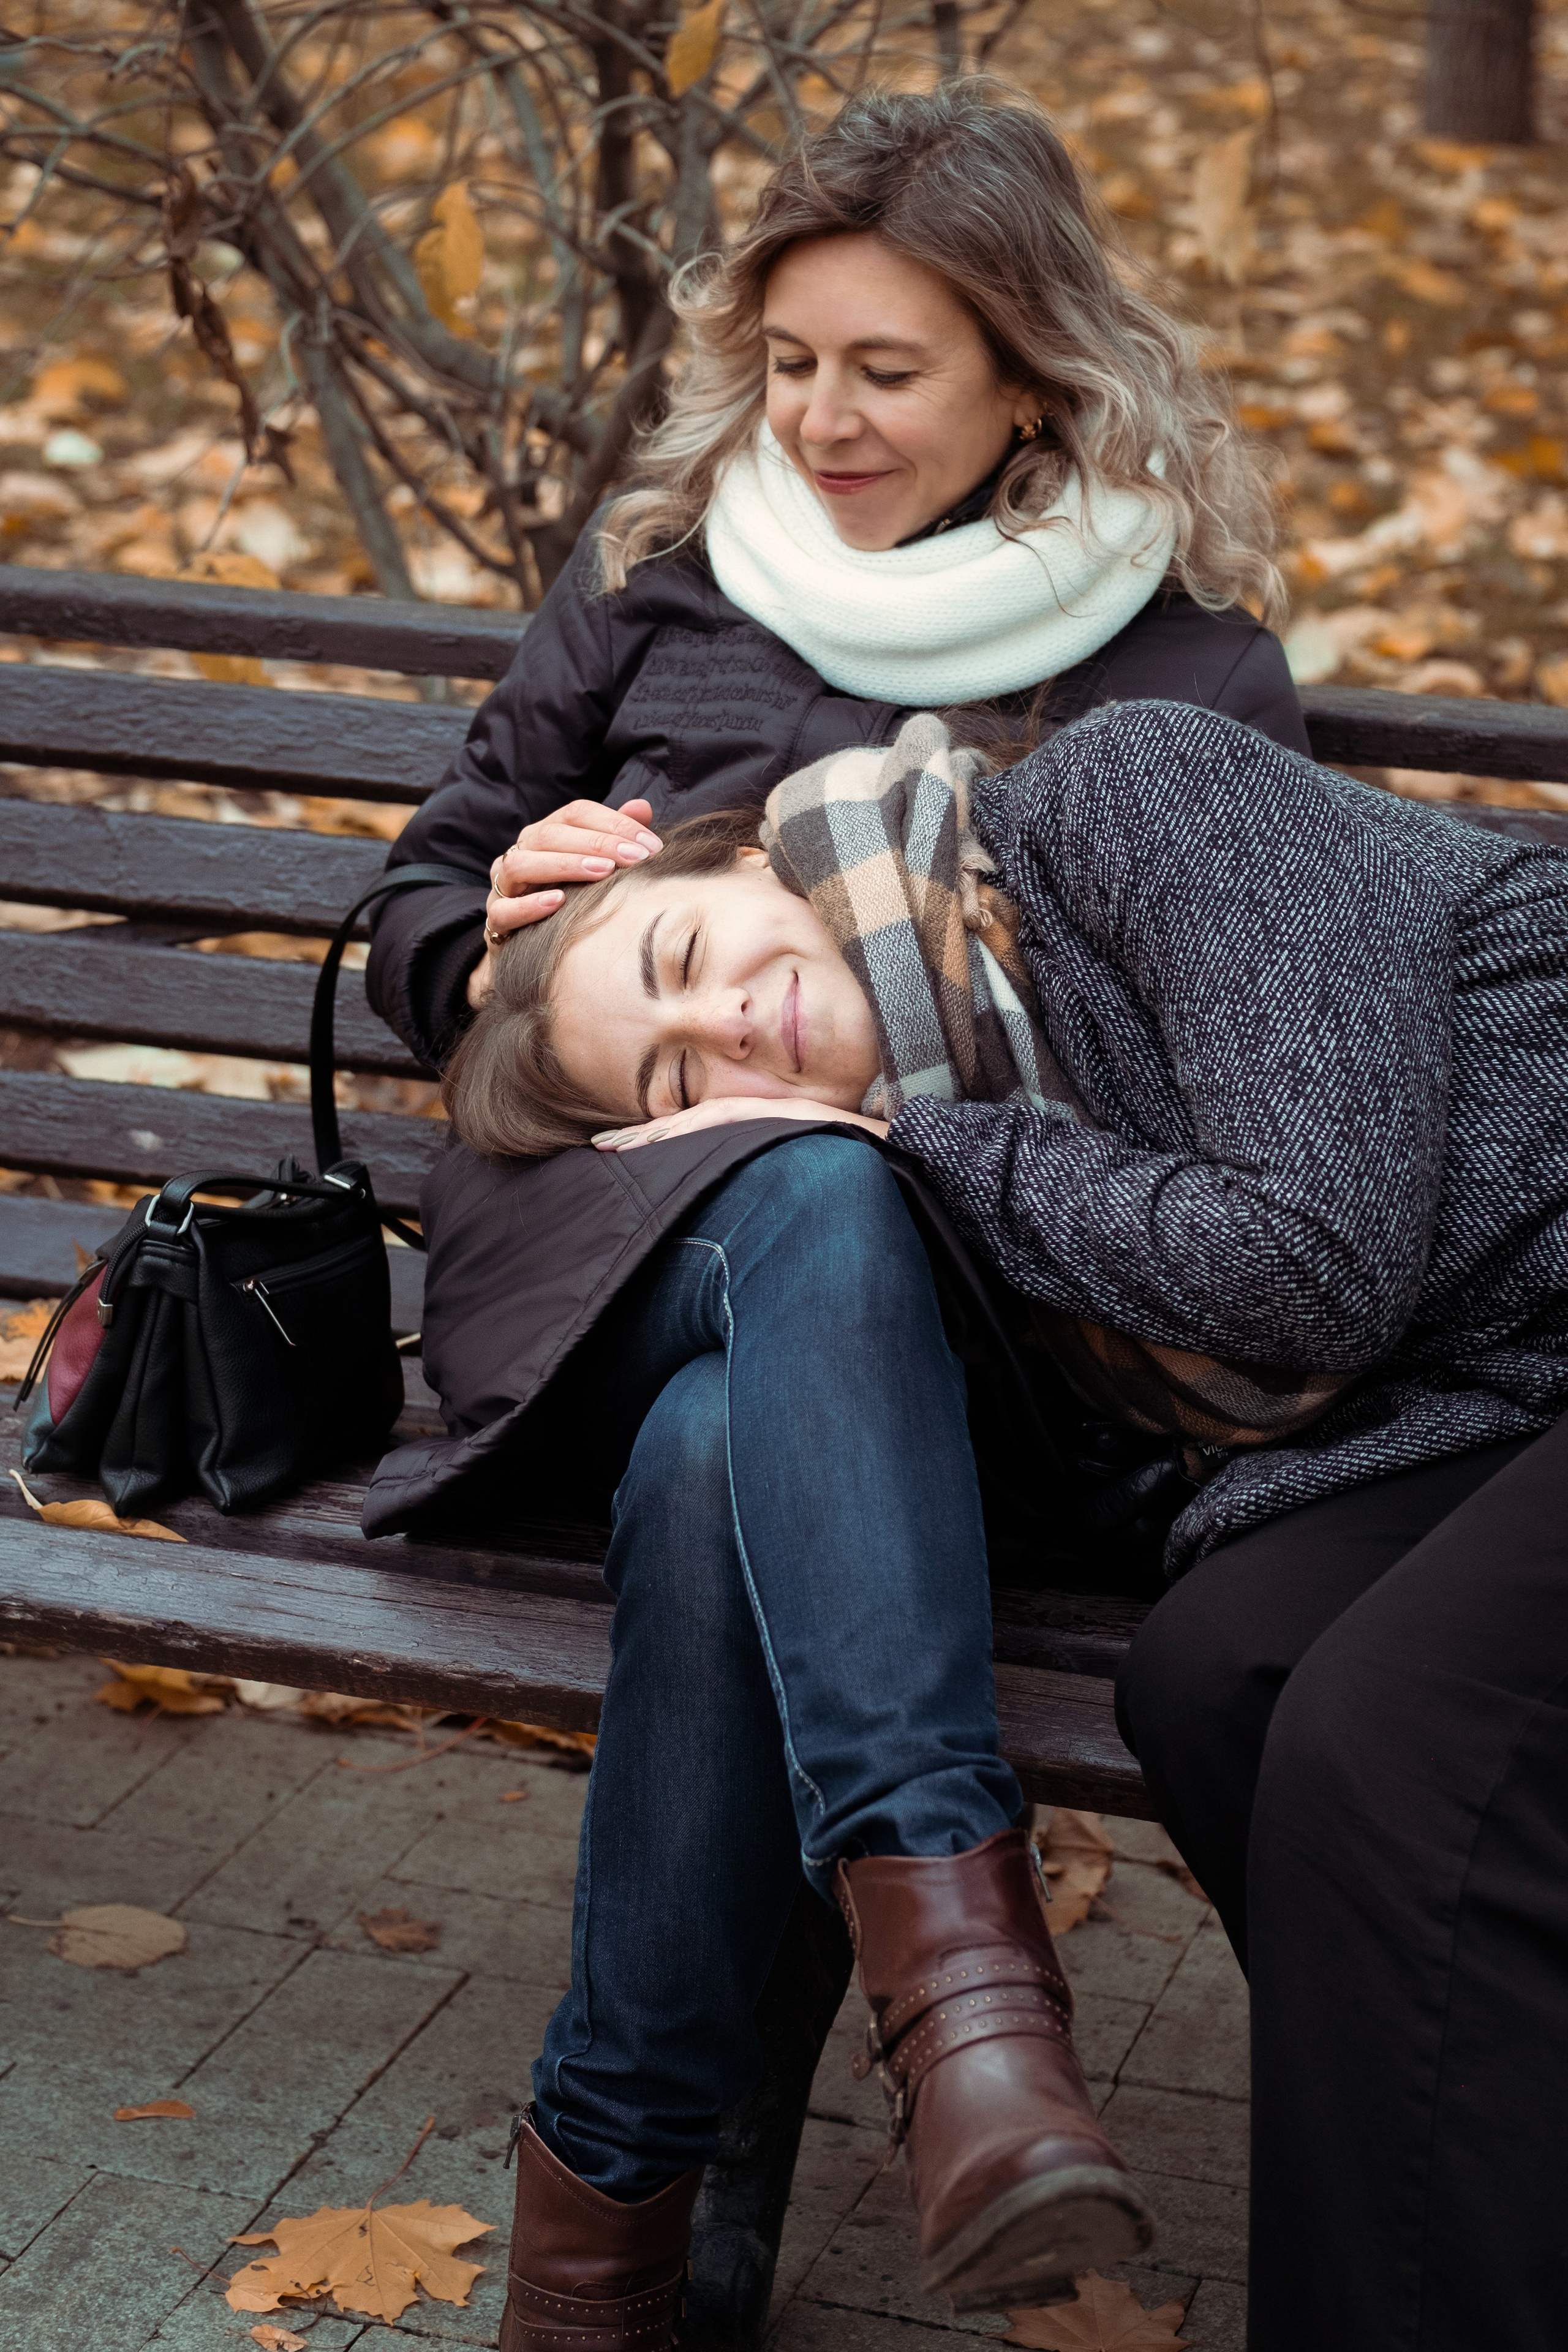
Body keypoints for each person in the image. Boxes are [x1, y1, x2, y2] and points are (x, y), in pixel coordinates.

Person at [363, 75, 1316, 2352]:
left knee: (742, 1437)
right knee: (791, 1190)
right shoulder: (674, 575)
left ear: (1031, 379)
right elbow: (412, 910)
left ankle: (622, 2226)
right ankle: (971, 2024)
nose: (819, 419)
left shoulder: (1182, 667)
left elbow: (1245, 1078)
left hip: (999, 1334)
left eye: (887, 370)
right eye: (791, 363)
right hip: (605, 1248)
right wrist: (499, 931)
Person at [429, 696, 1568, 2352]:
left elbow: (1313, 1264)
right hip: (1483, 1398)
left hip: (1485, 1350)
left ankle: (807, 2107)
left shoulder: (1137, 795)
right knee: (1207, 1674)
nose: (734, 1029)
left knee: (1379, 1731)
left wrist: (912, 1140)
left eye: (688, 955)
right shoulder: (908, 1179)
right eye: (683, 1078)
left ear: (747, 860)